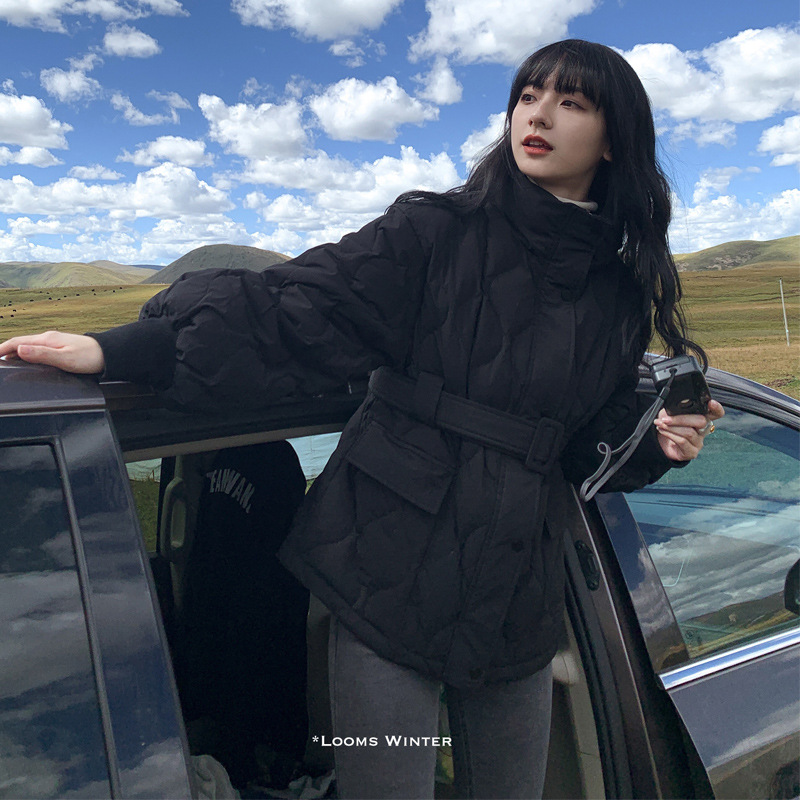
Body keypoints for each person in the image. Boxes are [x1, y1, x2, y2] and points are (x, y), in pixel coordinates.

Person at [1, 39, 723, 799]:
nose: (536, 116)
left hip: (517, 594)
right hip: (387, 576)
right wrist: (129, 349)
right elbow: (297, 308)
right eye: (527, 96)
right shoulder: (436, 231)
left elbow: (584, 443)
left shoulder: (619, 288)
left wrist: (658, 444)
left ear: (612, 142)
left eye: (569, 103)